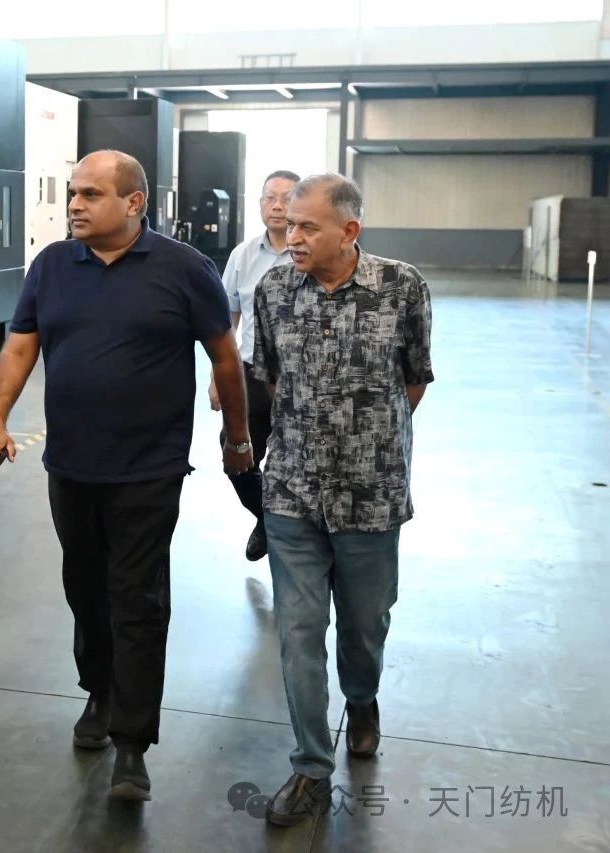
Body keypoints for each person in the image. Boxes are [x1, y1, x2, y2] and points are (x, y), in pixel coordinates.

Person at [0, 150, 254, 801]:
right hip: (72, 464)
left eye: (91, 194)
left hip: (149, 468)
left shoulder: (184, 268)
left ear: (134, 203)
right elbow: (20, 346)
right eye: (73, 193)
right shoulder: (52, 266)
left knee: (138, 597)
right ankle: (98, 690)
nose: (75, 204)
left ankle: (132, 742)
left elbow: (224, 357)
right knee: (86, 589)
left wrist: (237, 435)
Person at [252, 174, 433, 826]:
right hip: (292, 493)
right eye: (289, 224)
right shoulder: (274, 290)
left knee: (364, 624)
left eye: (308, 226)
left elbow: (414, 380)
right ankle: (310, 767)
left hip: (371, 496)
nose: (292, 236)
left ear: (349, 231)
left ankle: (361, 697)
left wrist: (366, 438)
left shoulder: (402, 287)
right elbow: (270, 377)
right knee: (298, 632)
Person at [208, 170, 299, 561]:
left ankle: (292, 532)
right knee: (236, 455)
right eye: (269, 198)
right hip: (250, 374)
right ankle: (267, 519)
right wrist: (217, 377)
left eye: (286, 198)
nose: (276, 206)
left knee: (296, 462)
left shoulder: (309, 252)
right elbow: (226, 321)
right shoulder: (242, 256)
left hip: (300, 378)